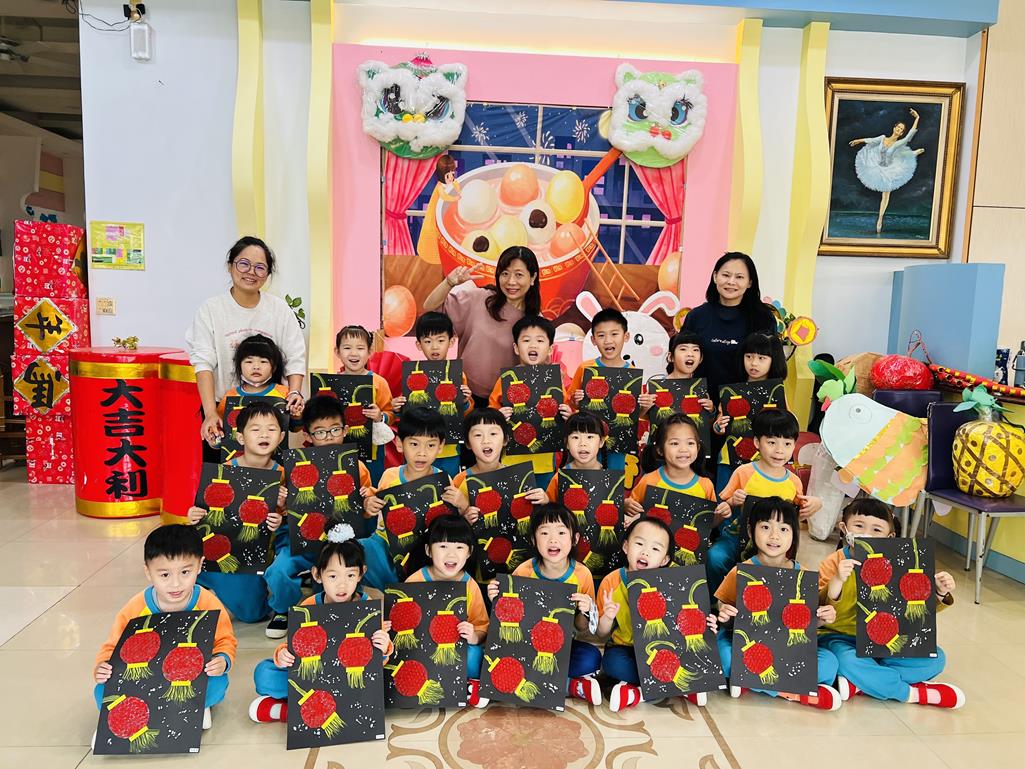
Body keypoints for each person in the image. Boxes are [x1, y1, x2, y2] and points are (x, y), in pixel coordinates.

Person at [818, 499, 964, 708]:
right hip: (840, 637)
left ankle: (862, 683)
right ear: (844, 528)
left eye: (876, 530)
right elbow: (821, 607)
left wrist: (939, 592)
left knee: (937, 658)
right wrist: (838, 580)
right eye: (859, 526)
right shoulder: (834, 562)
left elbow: (915, 611)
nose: (866, 534)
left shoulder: (898, 562)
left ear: (890, 537)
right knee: (845, 661)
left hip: (886, 641)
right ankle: (910, 693)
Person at [94, 525, 237, 731]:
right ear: (148, 572)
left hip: (191, 677)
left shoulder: (208, 603)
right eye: (164, 575)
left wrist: (222, 660)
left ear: (199, 566)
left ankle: (196, 707)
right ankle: (181, 710)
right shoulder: (135, 608)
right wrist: (103, 666)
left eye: (185, 572)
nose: (176, 584)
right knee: (101, 692)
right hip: (146, 681)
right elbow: (112, 647)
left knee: (218, 684)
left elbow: (225, 640)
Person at [249, 526, 392, 723]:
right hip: (316, 677)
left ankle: (289, 711)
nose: (342, 585)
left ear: (361, 574)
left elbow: (377, 662)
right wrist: (283, 655)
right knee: (265, 673)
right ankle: (310, 708)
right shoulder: (309, 607)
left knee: (386, 682)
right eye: (333, 576)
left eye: (350, 575)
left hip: (352, 679)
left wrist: (383, 648)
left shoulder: (368, 609)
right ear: (317, 575)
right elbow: (294, 646)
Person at [261, 395, 375, 639]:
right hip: (301, 541)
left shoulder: (357, 467)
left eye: (335, 430)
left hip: (340, 544)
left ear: (345, 430)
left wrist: (367, 501)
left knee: (345, 570)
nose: (329, 437)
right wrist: (281, 503)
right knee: (279, 570)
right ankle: (283, 610)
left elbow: (365, 513)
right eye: (320, 432)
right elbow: (283, 513)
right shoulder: (295, 466)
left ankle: (342, 603)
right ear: (308, 435)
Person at [715, 497, 841, 710]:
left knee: (830, 662)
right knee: (724, 656)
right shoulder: (741, 572)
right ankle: (794, 692)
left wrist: (822, 618)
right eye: (765, 527)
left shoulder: (802, 575)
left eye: (783, 529)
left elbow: (807, 624)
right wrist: (725, 614)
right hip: (750, 645)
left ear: (794, 534)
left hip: (788, 651)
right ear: (751, 530)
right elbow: (723, 610)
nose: (774, 536)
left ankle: (751, 683)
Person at [186, 236, 306, 460]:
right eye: (244, 264)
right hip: (223, 409)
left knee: (271, 474)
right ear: (230, 266)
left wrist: (294, 393)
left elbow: (295, 356)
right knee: (224, 474)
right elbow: (203, 363)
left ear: (268, 274)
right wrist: (210, 412)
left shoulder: (279, 309)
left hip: (270, 411)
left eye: (260, 267)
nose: (251, 272)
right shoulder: (211, 309)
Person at [489, 503, 603, 704]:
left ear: (574, 539)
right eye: (544, 533)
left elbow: (581, 628)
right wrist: (496, 599)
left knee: (591, 658)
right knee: (495, 658)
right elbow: (509, 619)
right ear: (534, 539)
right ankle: (569, 685)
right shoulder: (523, 571)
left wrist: (584, 611)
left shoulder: (582, 574)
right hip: (525, 645)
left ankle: (552, 682)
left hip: (562, 647)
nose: (553, 540)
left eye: (561, 532)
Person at [597, 517, 714, 711]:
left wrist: (708, 624)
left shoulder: (674, 583)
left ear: (665, 560)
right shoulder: (611, 582)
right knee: (611, 663)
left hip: (664, 650)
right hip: (626, 649)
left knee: (692, 657)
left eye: (655, 548)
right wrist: (607, 617)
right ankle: (679, 687)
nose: (645, 552)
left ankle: (635, 693)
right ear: (626, 546)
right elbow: (601, 634)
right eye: (639, 544)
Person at [187, 402, 288, 623]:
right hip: (222, 547)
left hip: (257, 552)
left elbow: (288, 520)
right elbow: (205, 512)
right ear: (241, 437)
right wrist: (194, 515)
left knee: (252, 614)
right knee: (188, 559)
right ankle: (206, 589)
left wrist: (280, 516)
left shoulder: (282, 473)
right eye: (255, 429)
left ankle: (232, 594)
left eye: (271, 429)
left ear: (281, 437)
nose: (264, 434)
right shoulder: (224, 472)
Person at [707, 409, 821, 593]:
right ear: (757, 442)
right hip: (738, 536)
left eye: (787, 443)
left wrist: (814, 506)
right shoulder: (743, 472)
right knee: (715, 557)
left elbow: (793, 518)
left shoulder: (794, 482)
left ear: (794, 445)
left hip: (774, 541)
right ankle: (717, 599)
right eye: (771, 442)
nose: (779, 450)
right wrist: (732, 502)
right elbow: (723, 508)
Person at [423, 246, 540, 408]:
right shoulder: (479, 299)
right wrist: (449, 282)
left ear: (533, 278)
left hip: (507, 403)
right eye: (505, 273)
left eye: (519, 275)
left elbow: (538, 365)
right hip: (465, 396)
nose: (511, 281)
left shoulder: (536, 320)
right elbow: (429, 307)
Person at [361, 406, 459, 590]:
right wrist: (369, 505)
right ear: (399, 444)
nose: (422, 453)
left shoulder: (444, 480)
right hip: (385, 545)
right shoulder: (390, 476)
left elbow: (452, 523)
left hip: (424, 549)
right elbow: (372, 508)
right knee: (358, 550)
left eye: (430, 445)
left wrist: (461, 503)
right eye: (414, 444)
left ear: (440, 447)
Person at [404, 515, 491, 707]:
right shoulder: (415, 582)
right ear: (428, 550)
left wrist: (473, 636)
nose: (451, 554)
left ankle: (469, 685)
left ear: (469, 552)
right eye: (443, 546)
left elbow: (482, 627)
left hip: (457, 651)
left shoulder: (469, 585)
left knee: (475, 655)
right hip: (424, 650)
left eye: (459, 547)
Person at [491, 314, 573, 489]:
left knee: (543, 500)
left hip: (545, 459)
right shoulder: (506, 380)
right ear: (516, 348)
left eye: (540, 341)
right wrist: (498, 416)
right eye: (526, 340)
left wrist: (568, 415)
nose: (533, 345)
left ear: (550, 349)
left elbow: (565, 408)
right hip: (512, 458)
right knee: (514, 501)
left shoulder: (556, 382)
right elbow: (491, 413)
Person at [681, 252, 776, 399]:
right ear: (715, 276)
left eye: (739, 277)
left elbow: (774, 367)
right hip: (701, 402)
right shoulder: (696, 316)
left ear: (750, 282)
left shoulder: (763, 318)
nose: (731, 282)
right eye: (726, 275)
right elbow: (680, 361)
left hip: (746, 402)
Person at [569, 308, 654, 471]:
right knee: (585, 480)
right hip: (586, 443)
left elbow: (635, 415)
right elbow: (572, 405)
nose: (608, 341)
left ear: (626, 336)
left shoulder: (633, 374)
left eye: (614, 334)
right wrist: (575, 401)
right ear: (593, 340)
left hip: (618, 445)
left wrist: (645, 406)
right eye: (601, 335)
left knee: (613, 482)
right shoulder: (585, 368)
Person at [392, 312, 473, 478]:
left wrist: (465, 401)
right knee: (417, 483)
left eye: (440, 340)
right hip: (417, 449)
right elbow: (407, 412)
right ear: (419, 344)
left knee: (446, 484)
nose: (435, 347)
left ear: (451, 342)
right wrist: (397, 409)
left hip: (448, 447)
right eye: (428, 341)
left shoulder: (458, 375)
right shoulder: (411, 376)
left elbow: (465, 413)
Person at [626, 414, 730, 528]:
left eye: (690, 443)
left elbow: (708, 524)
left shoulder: (706, 485)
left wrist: (721, 515)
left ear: (698, 447)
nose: (683, 449)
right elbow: (632, 511)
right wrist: (626, 506)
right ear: (660, 450)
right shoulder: (649, 481)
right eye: (674, 443)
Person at [849, 108, 926, 233]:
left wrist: (917, 118)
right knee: (898, 156)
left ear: (901, 133)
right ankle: (912, 153)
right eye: (898, 127)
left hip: (890, 170)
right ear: (894, 128)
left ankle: (880, 218)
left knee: (886, 194)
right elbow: (871, 140)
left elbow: (910, 134)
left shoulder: (899, 143)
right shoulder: (883, 138)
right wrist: (859, 140)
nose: (899, 130)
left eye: (901, 129)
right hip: (878, 165)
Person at [334, 325, 395, 484]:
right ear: (337, 352)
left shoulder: (379, 382)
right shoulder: (331, 383)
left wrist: (380, 416)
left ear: (370, 352)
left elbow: (391, 414)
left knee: (371, 487)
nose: (354, 353)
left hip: (372, 450)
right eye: (347, 348)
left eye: (360, 348)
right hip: (340, 447)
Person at [545, 411, 609, 500]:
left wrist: (625, 504)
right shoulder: (559, 478)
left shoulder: (611, 477)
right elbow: (550, 504)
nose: (582, 443)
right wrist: (546, 501)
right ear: (567, 443)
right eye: (575, 437)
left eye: (589, 437)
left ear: (601, 442)